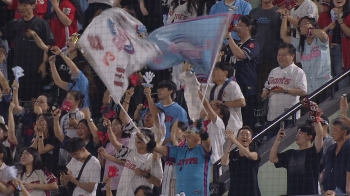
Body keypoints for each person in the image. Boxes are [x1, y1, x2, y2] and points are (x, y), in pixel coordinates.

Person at [0, 0, 55, 102]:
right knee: (17, 97)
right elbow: (2, 34)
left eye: (25, 5)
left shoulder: (42, 24)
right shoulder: (15, 23)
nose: (21, 7)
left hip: (35, 68)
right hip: (18, 69)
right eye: (20, 5)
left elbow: (48, 45)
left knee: (35, 99)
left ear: (33, 6)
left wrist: (44, 63)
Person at [101, 118, 162, 196]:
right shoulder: (129, 153)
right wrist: (109, 127)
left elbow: (158, 183)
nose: (138, 139)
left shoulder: (153, 159)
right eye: (138, 137)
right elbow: (114, 142)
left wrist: (145, 174)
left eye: (142, 137)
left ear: (148, 141)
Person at [153, 117, 212, 196]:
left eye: (191, 131)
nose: (187, 134)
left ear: (199, 136)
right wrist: (146, 140)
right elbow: (158, 149)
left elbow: (207, 143)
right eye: (187, 132)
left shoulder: (202, 150)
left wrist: (201, 130)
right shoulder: (179, 150)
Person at [261, 43, 307, 139]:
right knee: (271, 145)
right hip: (272, 116)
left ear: (292, 56)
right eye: (279, 54)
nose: (280, 57)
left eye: (284, 55)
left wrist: (285, 90)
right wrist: (265, 93)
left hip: (289, 117)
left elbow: (303, 91)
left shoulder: (298, 71)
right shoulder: (273, 71)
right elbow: (265, 89)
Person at [269, 120, 323, 195]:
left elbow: (319, 134)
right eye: (297, 133)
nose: (297, 135)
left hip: (309, 194)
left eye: (301, 133)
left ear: (309, 136)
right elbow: (273, 158)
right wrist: (277, 140)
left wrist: (316, 119)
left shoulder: (313, 152)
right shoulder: (290, 153)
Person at [281, 15, 332, 94]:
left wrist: (310, 31)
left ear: (313, 25)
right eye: (301, 25)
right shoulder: (300, 43)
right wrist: (285, 18)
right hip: (309, 88)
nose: (303, 26)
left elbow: (323, 34)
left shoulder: (319, 40)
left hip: (324, 84)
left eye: (306, 23)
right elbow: (284, 36)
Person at [227, 15, 260, 129]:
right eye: (238, 25)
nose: (237, 27)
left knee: (246, 122)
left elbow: (240, 54)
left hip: (247, 88)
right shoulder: (235, 43)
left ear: (249, 27)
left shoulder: (253, 44)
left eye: (241, 25)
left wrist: (229, 37)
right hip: (233, 87)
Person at [204, 62, 246, 136]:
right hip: (216, 129)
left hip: (231, 128)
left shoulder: (232, 85)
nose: (213, 72)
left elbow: (242, 102)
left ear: (225, 73)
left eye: (216, 69)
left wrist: (222, 102)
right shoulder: (212, 88)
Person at [249, 0, 282, 93]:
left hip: (272, 58)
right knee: (255, 87)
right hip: (255, 57)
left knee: (270, 87)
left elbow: (284, 33)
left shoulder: (279, 12)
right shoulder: (253, 12)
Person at [318, 0, 350, 90]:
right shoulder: (324, 15)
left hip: (342, 51)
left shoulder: (348, 16)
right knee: (327, 78)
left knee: (341, 77)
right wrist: (328, 27)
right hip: (325, 50)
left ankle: (342, 100)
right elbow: (317, 34)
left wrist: (340, 21)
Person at [221, 127, 261, 196]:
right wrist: (230, 144)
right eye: (242, 134)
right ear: (237, 138)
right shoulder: (233, 155)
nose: (244, 137)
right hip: (235, 192)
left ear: (251, 140)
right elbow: (224, 163)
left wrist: (235, 141)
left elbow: (248, 155)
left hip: (251, 192)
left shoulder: (255, 153)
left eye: (247, 135)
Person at [97, 117, 130, 196]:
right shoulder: (108, 144)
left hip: (122, 182)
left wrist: (106, 155)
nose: (113, 127)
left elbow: (126, 161)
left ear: (123, 126)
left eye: (116, 124)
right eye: (112, 125)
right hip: (108, 181)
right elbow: (102, 164)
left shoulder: (128, 141)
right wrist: (100, 154)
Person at [321, 118, 350, 195]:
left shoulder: (348, 147)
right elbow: (325, 165)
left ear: (344, 132)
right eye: (332, 130)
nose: (333, 133)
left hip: (344, 191)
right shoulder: (331, 149)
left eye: (336, 130)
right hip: (328, 189)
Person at [30, 113, 61, 178]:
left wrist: (40, 132)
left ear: (49, 122)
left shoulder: (54, 138)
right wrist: (37, 134)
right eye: (38, 120)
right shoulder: (37, 136)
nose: (38, 122)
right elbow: (30, 151)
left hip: (50, 171)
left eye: (41, 120)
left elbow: (41, 151)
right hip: (37, 169)